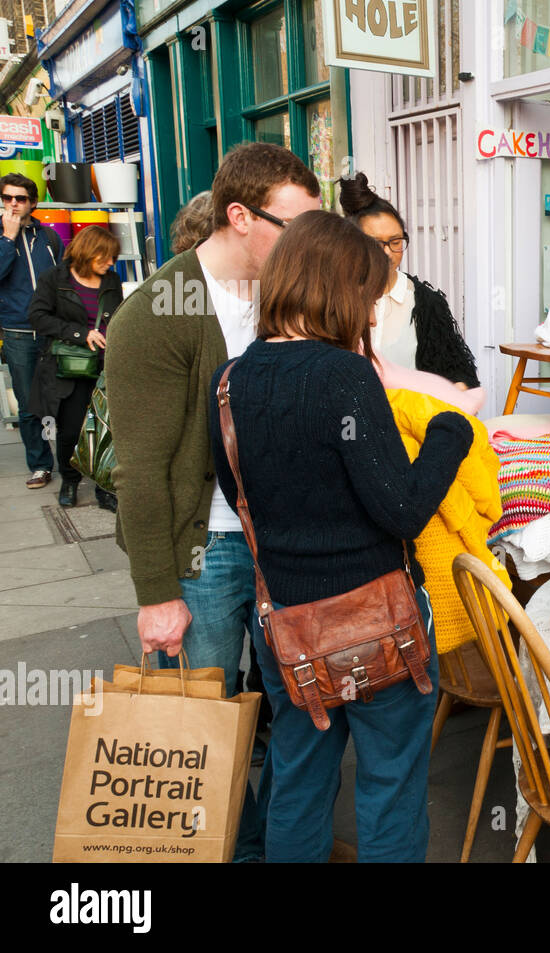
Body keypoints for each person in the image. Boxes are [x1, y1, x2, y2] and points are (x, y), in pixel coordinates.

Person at [210, 210, 473, 862]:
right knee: (389, 783)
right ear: (336, 289)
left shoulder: (230, 382)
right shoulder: (343, 377)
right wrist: (449, 435)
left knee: (298, 776)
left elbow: (244, 496)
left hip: (289, 627)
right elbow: (403, 509)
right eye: (366, 293)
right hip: (376, 623)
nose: (373, 311)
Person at [104, 142, 322, 862]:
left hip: (287, 546)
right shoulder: (157, 313)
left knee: (301, 712)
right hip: (208, 549)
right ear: (239, 215)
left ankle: (264, 846)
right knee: (201, 722)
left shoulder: (288, 297)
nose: (307, 245)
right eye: (293, 227)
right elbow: (140, 470)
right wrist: (155, 592)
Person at [338, 172, 479, 386]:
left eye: (395, 241)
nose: (386, 253)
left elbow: (458, 373)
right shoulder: (332, 297)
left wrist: (457, 390)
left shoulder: (425, 303)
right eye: (375, 243)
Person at [27, 226, 123, 509]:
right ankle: (69, 480)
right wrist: (81, 334)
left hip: (105, 365)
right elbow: (38, 317)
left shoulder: (112, 280)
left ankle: (104, 487)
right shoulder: (54, 280)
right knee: (70, 429)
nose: (111, 263)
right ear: (88, 252)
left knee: (105, 428)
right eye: (105, 257)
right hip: (70, 368)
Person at [0, 172, 64, 489]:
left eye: (20, 198)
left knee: (65, 399)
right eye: (7, 198)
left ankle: (73, 461)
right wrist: (8, 239)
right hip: (18, 333)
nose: (13, 204)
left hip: (54, 331)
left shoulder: (49, 238)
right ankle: (40, 464)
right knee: (29, 406)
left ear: (33, 203)